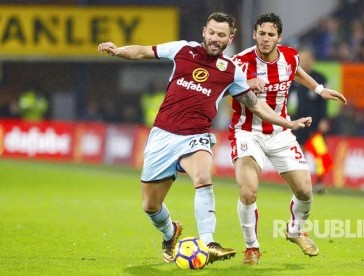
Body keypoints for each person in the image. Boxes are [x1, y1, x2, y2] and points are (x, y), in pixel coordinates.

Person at [97, 12, 312, 265]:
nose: (215, 38)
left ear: (229, 38)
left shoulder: (231, 71)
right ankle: (170, 232)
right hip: (163, 136)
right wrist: (118, 50)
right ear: (204, 31)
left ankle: (208, 242)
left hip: (196, 135)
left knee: (202, 177)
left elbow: (256, 105)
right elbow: (143, 51)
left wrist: (287, 122)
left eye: (222, 35)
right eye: (212, 32)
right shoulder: (182, 50)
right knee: (150, 206)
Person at [229, 13, 347, 265]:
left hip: (280, 134)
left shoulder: (290, 56)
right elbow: (231, 89)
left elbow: (297, 72)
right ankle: (252, 248)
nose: (265, 39)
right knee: (248, 192)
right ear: (254, 34)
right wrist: (246, 82)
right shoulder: (240, 62)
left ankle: (295, 230)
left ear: (278, 38)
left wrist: (319, 90)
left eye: (271, 34)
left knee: (305, 190)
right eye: (261, 33)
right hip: (248, 132)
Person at [288, 47, 332, 194]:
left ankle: (320, 183)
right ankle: (300, 183)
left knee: (320, 153)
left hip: (316, 121)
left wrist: (324, 119)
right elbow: (288, 99)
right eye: (301, 59)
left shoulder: (321, 78)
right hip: (299, 121)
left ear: (312, 61)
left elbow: (324, 101)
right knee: (299, 151)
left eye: (306, 59)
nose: (304, 62)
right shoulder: (294, 78)